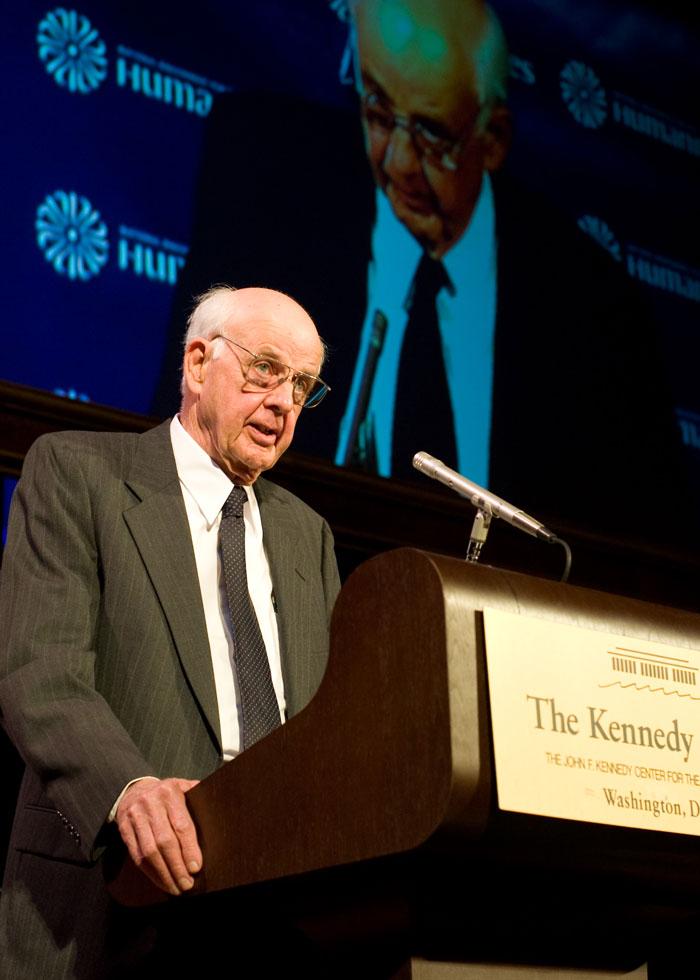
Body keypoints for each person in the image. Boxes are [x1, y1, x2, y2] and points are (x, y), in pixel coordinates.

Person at [153, 0, 689, 541]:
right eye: (380, 115)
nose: (401, 163)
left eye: (434, 135)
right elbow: (191, 429)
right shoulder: (265, 180)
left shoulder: (594, 301)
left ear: (494, 137)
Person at [0, 286, 341, 977]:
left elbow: (327, 722)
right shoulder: (78, 473)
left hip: (280, 909)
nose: (282, 402)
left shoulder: (309, 535)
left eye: (302, 385)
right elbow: (41, 673)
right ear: (195, 363)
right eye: (264, 370)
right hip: (118, 896)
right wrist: (129, 788)